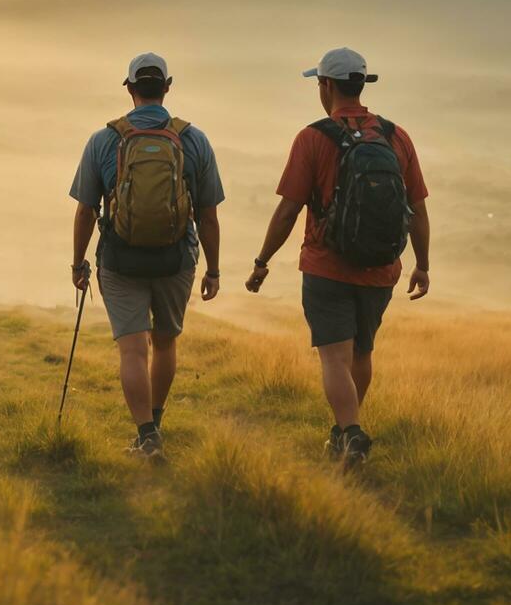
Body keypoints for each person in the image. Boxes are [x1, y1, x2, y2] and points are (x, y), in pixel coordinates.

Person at [245, 47, 430, 468]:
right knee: (361, 354)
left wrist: (262, 261)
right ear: (362, 84)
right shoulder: (396, 136)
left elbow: (289, 209)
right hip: (381, 268)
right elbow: (417, 207)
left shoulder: (313, 137)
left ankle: (349, 433)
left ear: (326, 85)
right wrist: (422, 263)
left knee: (334, 356)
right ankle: (346, 430)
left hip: (327, 265)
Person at [68, 53, 224, 459]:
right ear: (167, 87)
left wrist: (78, 262)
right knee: (165, 345)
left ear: (130, 88)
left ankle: (147, 434)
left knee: (133, 349)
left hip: (120, 260)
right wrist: (213, 269)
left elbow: (86, 209)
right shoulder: (193, 139)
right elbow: (207, 214)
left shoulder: (104, 140)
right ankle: (155, 420)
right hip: (176, 258)